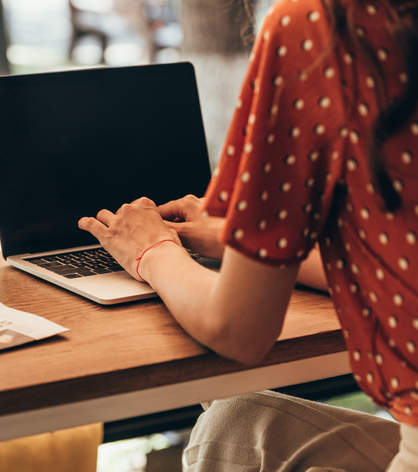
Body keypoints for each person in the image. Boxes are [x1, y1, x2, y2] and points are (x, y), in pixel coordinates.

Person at [78, 0, 418, 469]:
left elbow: (237, 330)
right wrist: (260, 249)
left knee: (230, 431)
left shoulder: (325, 28)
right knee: (239, 424)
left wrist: (151, 250)